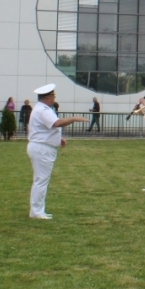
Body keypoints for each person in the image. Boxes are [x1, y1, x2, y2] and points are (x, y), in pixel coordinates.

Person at [26, 84, 87, 219]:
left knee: (40, 180)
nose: (54, 98)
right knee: (41, 180)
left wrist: (59, 139)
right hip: (42, 149)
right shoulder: (43, 110)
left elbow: (46, 129)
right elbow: (57, 123)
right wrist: (74, 118)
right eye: (53, 96)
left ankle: (37, 210)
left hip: (42, 146)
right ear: (48, 98)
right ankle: (37, 211)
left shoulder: (43, 109)